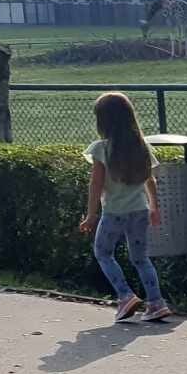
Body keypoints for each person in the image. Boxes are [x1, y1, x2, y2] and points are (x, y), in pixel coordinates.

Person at [77, 90, 169, 323]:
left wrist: (91, 215)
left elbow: (96, 184)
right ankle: (156, 302)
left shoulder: (101, 149)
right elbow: (150, 179)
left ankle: (125, 295)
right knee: (141, 258)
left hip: (114, 213)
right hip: (140, 211)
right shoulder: (141, 146)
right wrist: (154, 207)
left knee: (103, 253)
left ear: (103, 121)